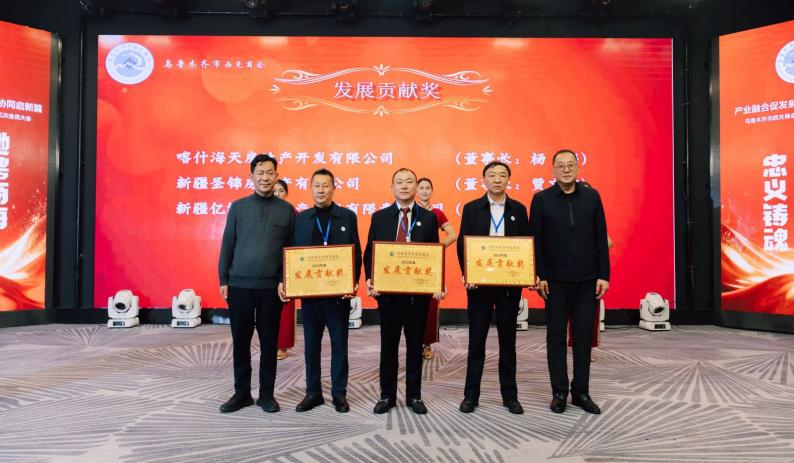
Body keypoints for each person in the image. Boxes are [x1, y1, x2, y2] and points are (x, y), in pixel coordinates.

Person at [530, 149, 610, 415]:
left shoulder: (592, 197)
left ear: (578, 168)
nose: (566, 170)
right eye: (561, 166)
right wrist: (540, 275)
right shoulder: (541, 200)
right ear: (552, 170)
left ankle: (581, 392)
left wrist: (604, 275)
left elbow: (601, 237)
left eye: (571, 165)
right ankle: (559, 392)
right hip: (554, 282)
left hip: (587, 280)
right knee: (555, 337)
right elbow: (536, 242)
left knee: (583, 336)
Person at [278, 169, 362, 413]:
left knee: (339, 345)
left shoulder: (347, 216)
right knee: (311, 346)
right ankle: (313, 392)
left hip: (338, 296)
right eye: (317, 185)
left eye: (326, 185)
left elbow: (355, 252)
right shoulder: (301, 219)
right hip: (311, 296)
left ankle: (339, 393)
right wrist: (286, 280)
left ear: (334, 188)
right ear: (311, 188)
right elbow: (291, 253)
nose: (321, 190)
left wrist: (353, 282)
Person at [218, 154, 294, 414]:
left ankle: (266, 395)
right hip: (239, 286)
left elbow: (290, 250)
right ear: (251, 176)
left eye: (270, 173)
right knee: (240, 341)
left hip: (271, 288)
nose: (265, 177)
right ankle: (241, 394)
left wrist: (285, 280)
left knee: (269, 343)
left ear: (276, 176)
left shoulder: (286, 210)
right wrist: (223, 278)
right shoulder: (238, 207)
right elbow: (228, 243)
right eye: (260, 173)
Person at [364, 168, 442, 415]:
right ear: (392, 187)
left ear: (416, 186)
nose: (404, 186)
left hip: (417, 297)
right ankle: (386, 396)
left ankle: (414, 396)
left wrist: (437, 281)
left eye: (409, 182)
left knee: (415, 347)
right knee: (388, 347)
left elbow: (434, 253)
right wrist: (370, 279)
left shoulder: (428, 218)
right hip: (388, 296)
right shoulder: (380, 217)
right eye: (399, 182)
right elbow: (370, 252)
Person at [457, 161, 531, 415]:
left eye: (502, 175)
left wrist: (526, 273)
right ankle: (471, 396)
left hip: (509, 286)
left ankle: (510, 396)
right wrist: (468, 273)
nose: (497, 179)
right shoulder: (472, 208)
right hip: (479, 285)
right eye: (492, 175)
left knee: (508, 342)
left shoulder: (518, 209)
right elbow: (463, 244)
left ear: (508, 179)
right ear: (484, 180)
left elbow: (525, 244)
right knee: (476, 341)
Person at [565, 182, 614, 362]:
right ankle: (571, 346)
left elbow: (608, 242)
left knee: (588, 318)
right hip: (564, 273)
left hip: (589, 273)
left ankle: (587, 349)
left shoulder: (592, 214)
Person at [416, 177, 457, 360]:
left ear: (432, 191)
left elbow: (453, 235)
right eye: (421, 188)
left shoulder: (437, 213)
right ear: (416, 191)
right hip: (412, 263)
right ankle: (414, 343)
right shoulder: (410, 211)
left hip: (431, 263)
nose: (425, 191)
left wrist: (437, 249)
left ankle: (426, 344)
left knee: (431, 304)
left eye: (428, 188)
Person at [273, 179, 295, 361]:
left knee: (285, 309)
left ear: (286, 193)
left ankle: (282, 346)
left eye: (281, 190)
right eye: (275, 190)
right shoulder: (263, 211)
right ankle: (269, 343)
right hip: (268, 266)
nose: (277, 193)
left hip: (288, 264)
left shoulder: (292, 213)